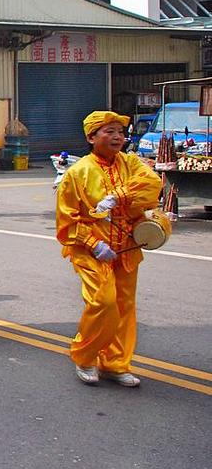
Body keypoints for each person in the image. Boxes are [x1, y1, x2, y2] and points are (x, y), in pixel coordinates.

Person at [56, 111, 162, 387]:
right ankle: (85, 357)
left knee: (125, 307)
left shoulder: (130, 163)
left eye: (120, 132)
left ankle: (116, 363)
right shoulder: (77, 173)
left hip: (127, 247)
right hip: (91, 250)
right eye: (109, 131)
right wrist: (94, 243)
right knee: (103, 303)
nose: (117, 137)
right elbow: (67, 222)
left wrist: (120, 196)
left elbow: (152, 185)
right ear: (92, 137)